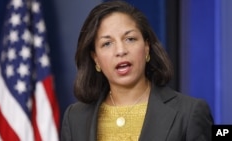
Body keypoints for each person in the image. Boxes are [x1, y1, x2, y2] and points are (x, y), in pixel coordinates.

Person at [61, 1, 213, 141]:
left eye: (130, 39)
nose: (120, 51)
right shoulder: (75, 118)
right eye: (107, 43)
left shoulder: (189, 112)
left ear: (146, 48)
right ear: (96, 58)